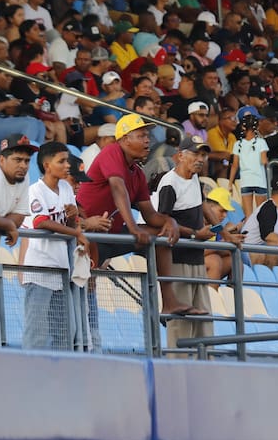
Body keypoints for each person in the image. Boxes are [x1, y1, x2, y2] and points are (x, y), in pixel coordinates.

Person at [76, 114, 192, 315]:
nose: (148, 140)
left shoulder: (137, 173)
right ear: (124, 140)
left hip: (110, 235)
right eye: (141, 135)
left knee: (160, 233)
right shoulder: (111, 151)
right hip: (88, 234)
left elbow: (150, 215)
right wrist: (133, 227)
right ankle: (82, 341)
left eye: (147, 136)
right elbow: (117, 188)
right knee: (84, 297)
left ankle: (169, 301)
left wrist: (169, 221)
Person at [24, 141, 90, 350]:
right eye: (61, 161)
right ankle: (30, 375)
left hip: (62, 267)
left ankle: (60, 375)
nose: (67, 165)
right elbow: (40, 221)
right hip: (40, 267)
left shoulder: (65, 188)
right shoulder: (36, 190)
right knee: (37, 330)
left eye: (66, 160)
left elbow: (72, 223)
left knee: (65, 331)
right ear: (47, 165)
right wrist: (76, 232)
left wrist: (73, 219)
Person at [155, 136, 216, 346]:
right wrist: (194, 234)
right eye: (196, 154)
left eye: (204, 154)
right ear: (180, 156)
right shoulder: (170, 183)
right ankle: (177, 367)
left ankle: (206, 365)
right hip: (177, 259)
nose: (201, 159)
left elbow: (204, 205)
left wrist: (223, 230)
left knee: (204, 319)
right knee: (181, 323)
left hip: (196, 258)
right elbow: (161, 221)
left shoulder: (195, 179)